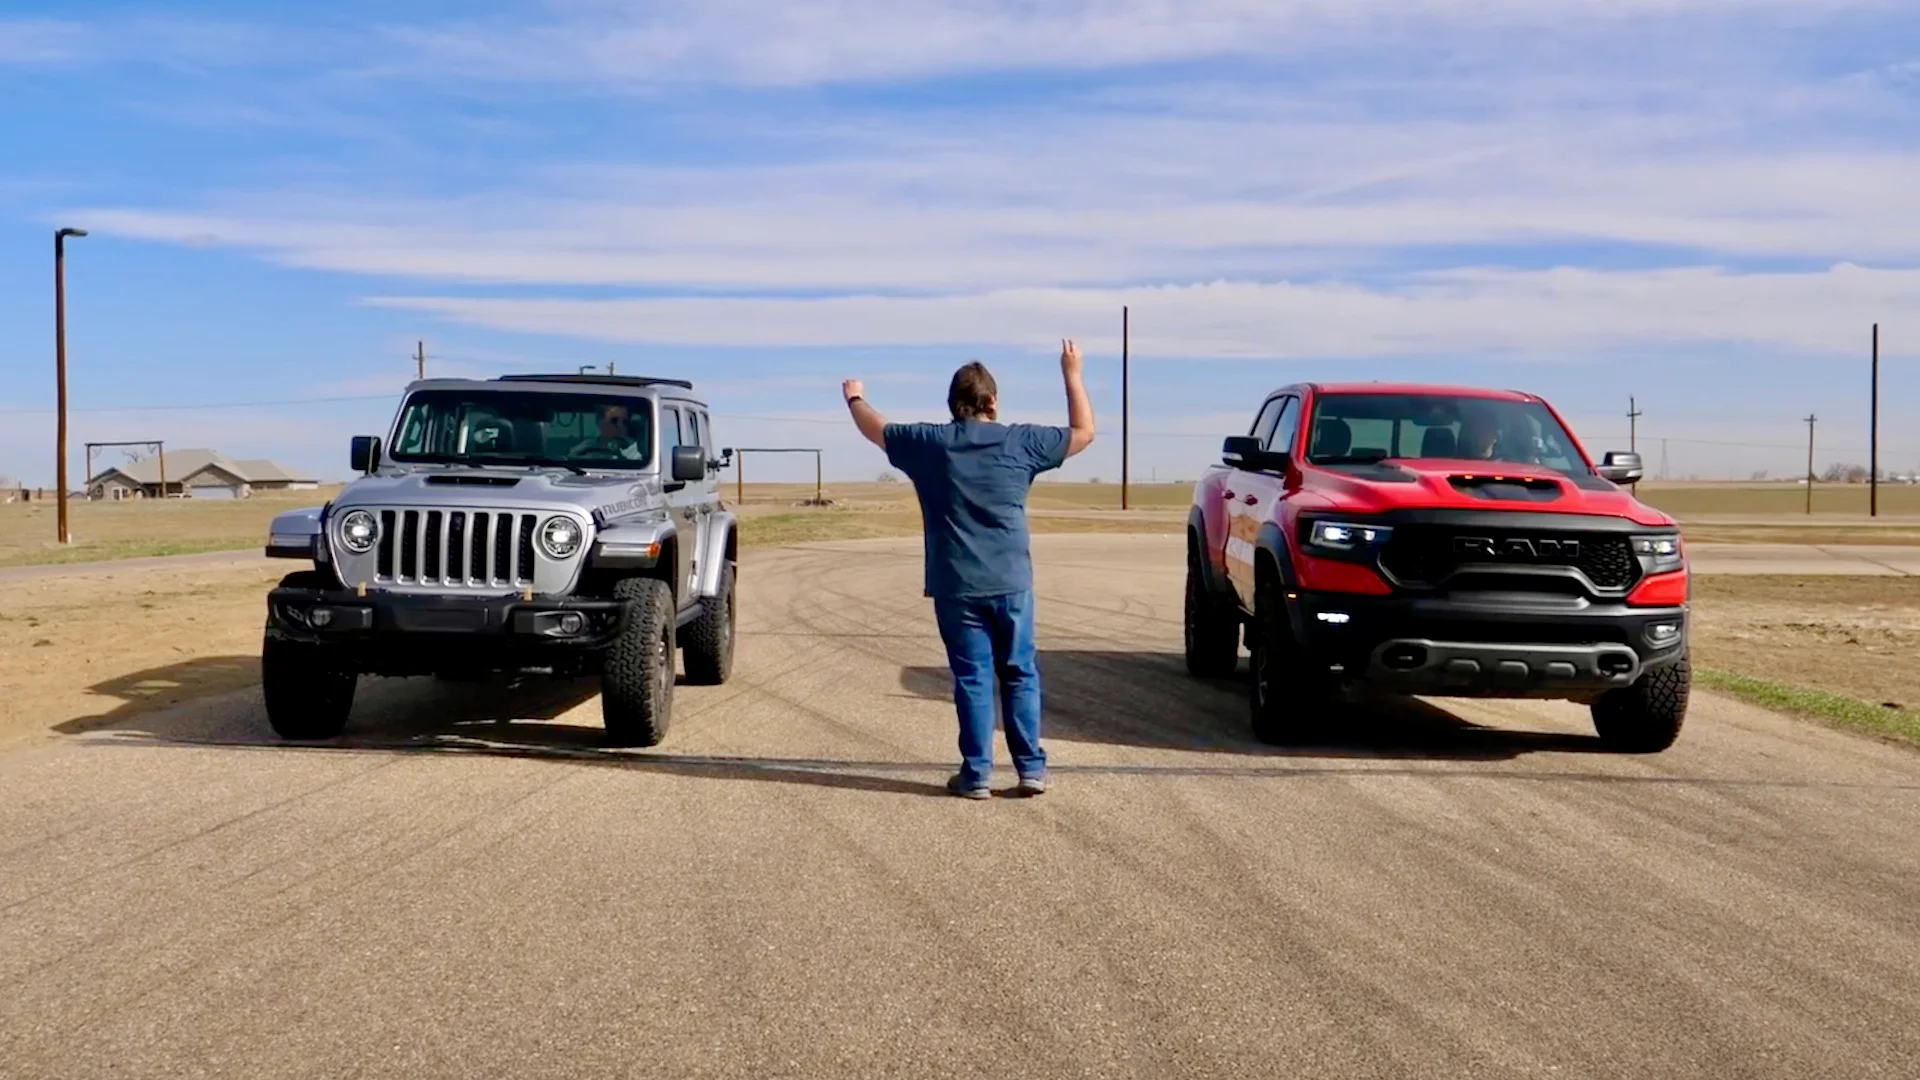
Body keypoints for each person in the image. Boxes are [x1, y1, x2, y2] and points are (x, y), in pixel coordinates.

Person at [843, 341, 1096, 799]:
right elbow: (1084, 431)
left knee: (973, 677)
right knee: (1019, 671)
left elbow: (874, 429)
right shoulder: (1023, 441)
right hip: (1012, 582)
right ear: (992, 402)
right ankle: (1030, 769)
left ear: (953, 405)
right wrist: (1071, 373)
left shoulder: (930, 443)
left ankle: (976, 774)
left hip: (956, 585)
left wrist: (854, 397)